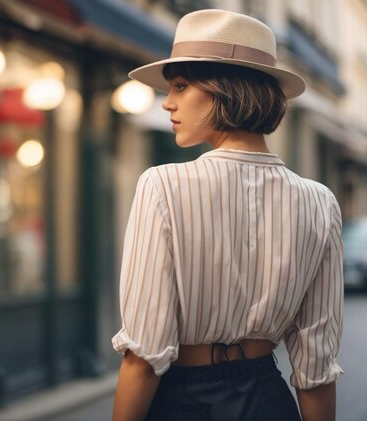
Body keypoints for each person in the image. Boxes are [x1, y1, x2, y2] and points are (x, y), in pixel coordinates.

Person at [111, 9, 343, 421]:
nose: (167, 102)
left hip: (181, 401)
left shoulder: (162, 186)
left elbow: (144, 357)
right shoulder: (320, 202)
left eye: (181, 86)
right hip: (269, 400)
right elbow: (317, 367)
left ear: (226, 90)